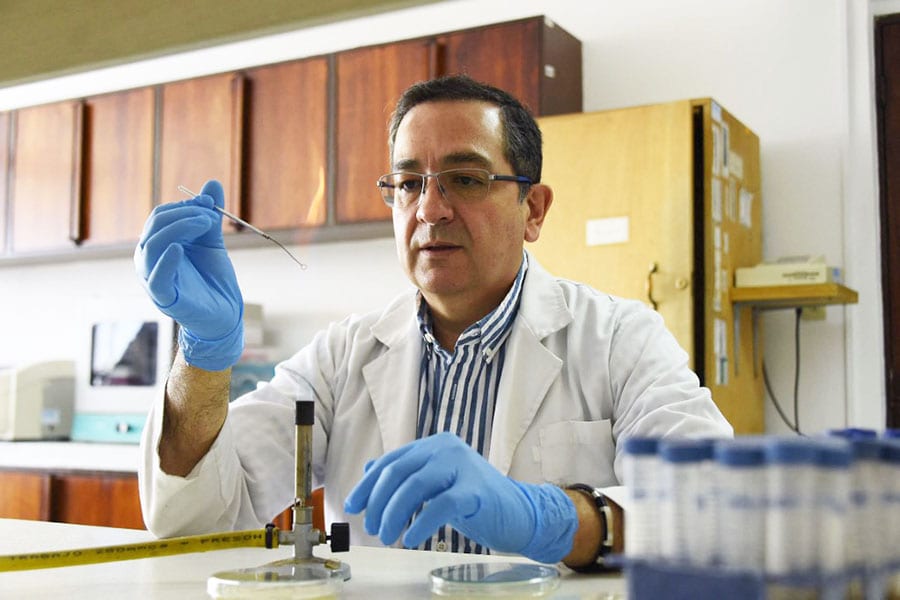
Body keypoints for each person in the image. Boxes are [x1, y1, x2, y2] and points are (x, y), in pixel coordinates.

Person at [134, 74, 732, 570]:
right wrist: (204, 355)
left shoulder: (620, 339)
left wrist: (551, 518)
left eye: (465, 180)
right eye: (408, 183)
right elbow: (197, 521)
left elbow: (716, 510)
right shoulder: (344, 356)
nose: (429, 209)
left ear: (534, 209)